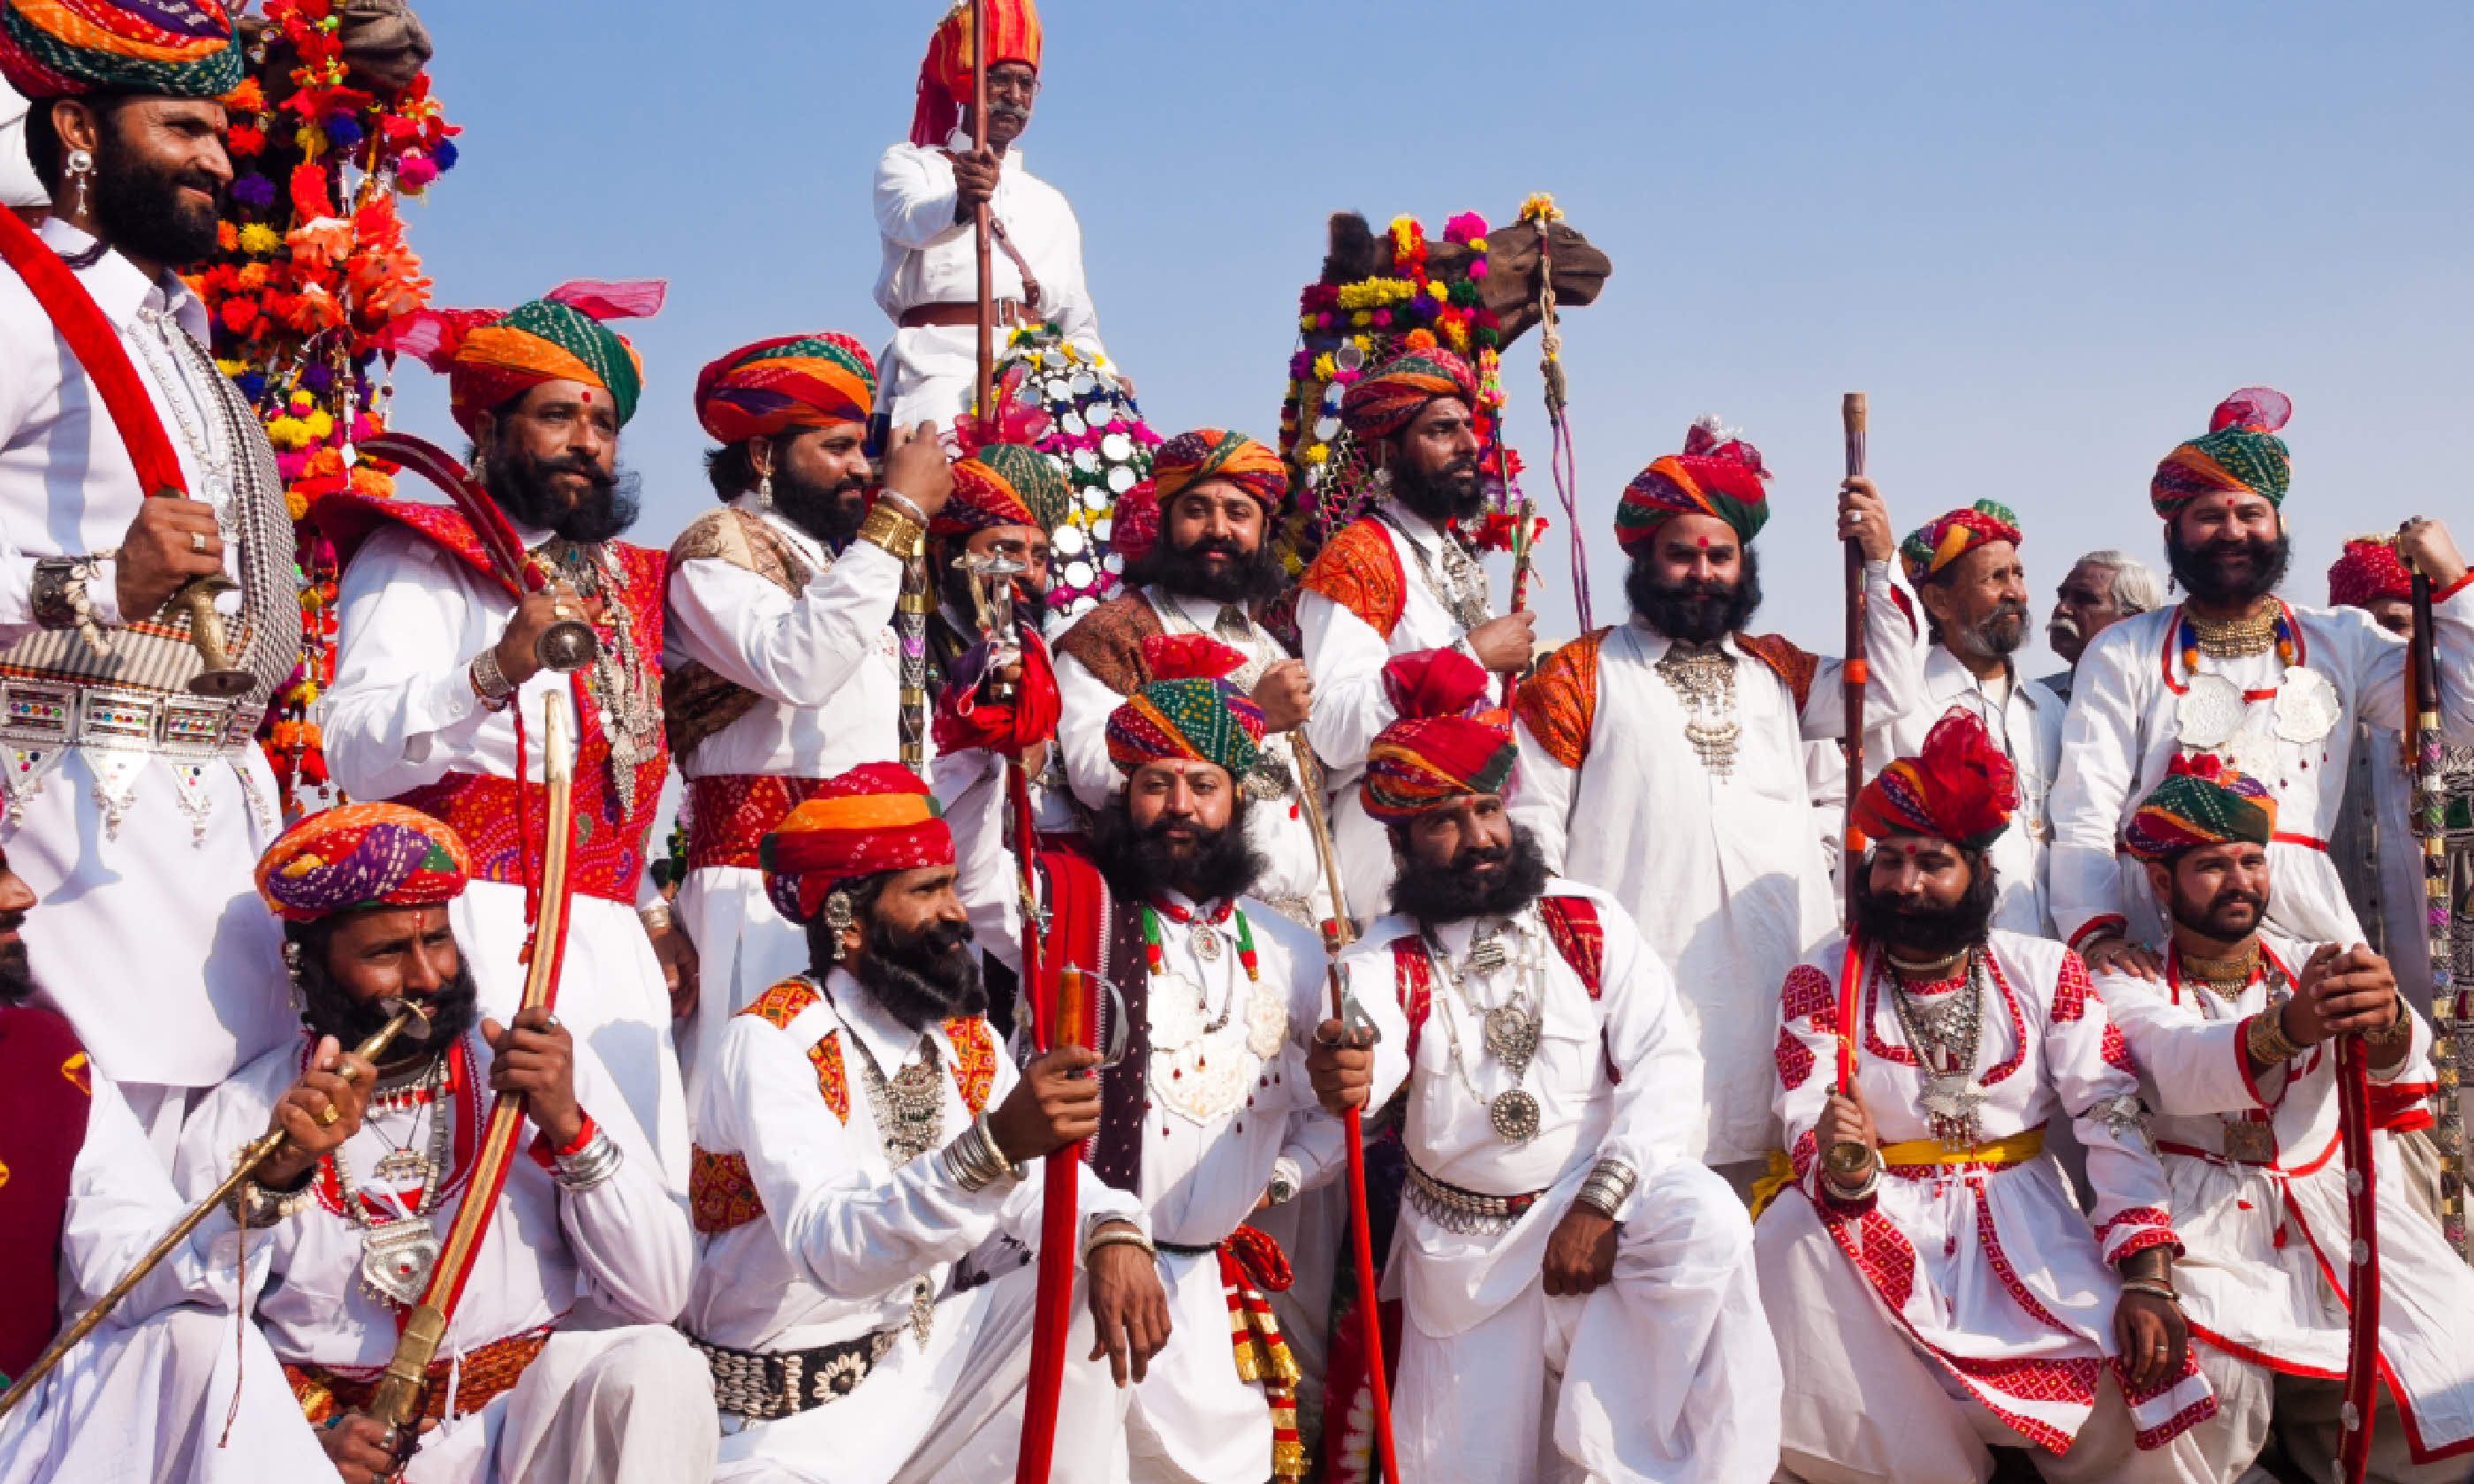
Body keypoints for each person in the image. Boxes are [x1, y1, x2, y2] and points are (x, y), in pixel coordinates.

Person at [1308, 647, 1781, 1483]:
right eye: (1443, 821)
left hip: (1599, 1208)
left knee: (1706, 1217)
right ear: (1405, 841)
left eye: (1487, 809)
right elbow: (1364, 1051)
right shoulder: (1382, 960)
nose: (1479, 839)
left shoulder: (1584, 922)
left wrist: (1601, 1204)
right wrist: (1348, 1069)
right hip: (1467, 1250)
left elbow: (1666, 1065)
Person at [178, 803, 710, 1484]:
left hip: (528, 1432)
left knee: (659, 1365)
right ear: (308, 965)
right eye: (386, 953)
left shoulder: (528, 1070)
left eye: (436, 941)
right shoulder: (248, 1113)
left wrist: (568, 1129)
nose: (427, 977)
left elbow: (659, 1294)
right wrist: (310, 1432)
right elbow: (197, 1334)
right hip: (342, 1455)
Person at [0, 0, 304, 1159]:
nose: (221, 161)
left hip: (218, 860)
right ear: (76, 125)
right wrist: (92, 582)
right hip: (67, 853)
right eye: (184, 129)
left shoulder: (171, 328)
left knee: (211, 1262)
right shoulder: (19, 302)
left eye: (225, 134)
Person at [1758, 712, 2213, 1484]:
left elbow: (2110, 1115)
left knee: (2123, 1369)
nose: (1905, 884)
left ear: (1977, 872)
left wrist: (2145, 1269)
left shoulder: (2043, 971)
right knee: (1794, 1248)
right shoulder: (1825, 975)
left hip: (2023, 1219)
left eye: (1932, 862)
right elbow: (1805, 1110)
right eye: (1890, 862)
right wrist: (1842, 1160)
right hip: (1876, 1222)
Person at [681, 761, 1159, 1484]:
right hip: (787, 1419)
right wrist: (993, 1146)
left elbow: (1045, 1197)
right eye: (928, 891)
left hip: (914, 1372)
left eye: (953, 886)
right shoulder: (774, 1042)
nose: (958, 914)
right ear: (847, 917)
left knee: (1093, 1279)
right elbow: (832, 1250)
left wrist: (1114, 1228)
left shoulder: (963, 1040)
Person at [317, 280, 692, 1179]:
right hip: (476, 929)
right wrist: (494, 672)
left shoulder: (633, 579)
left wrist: (650, 910)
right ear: (487, 427)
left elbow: (613, 776)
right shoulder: (419, 551)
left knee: (635, 1189)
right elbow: (355, 748)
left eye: (603, 425)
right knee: (504, 1192)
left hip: (611, 943)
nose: (586, 444)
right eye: (558, 415)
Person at [1511, 415, 1923, 1188]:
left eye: (1721, 556)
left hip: (1775, 980)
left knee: (1781, 1186)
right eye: (1683, 554)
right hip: (1638, 978)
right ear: (1643, 557)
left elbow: (1892, 686)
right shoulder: (1578, 672)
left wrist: (1879, 561)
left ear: (1745, 565)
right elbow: (1533, 829)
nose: (1703, 572)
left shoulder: (1778, 671)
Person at [1028, 633, 1349, 1484]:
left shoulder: (1289, 948)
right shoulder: (1073, 913)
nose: (1179, 804)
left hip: (1209, 1298)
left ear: (1236, 798)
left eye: (1202, 785)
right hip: (1082, 1277)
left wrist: (1274, 1182)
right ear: (1122, 796)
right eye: (1155, 784)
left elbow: (1334, 1111)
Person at [2098, 757, 2474, 1482]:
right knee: (2206, 1376)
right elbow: (2176, 1063)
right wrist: (2294, 1026)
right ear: (2160, 882)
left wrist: (2388, 1019)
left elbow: (2403, 1065)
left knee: (2450, 1340)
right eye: (2213, 865)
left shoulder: (2311, 958)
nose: (2241, 881)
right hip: (2200, 1221)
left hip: (2334, 1202)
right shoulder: (2123, 979)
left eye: (2251, 861)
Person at [2050, 388, 2474, 979]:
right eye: (2209, 517)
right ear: (2173, 534)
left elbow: (2461, 718)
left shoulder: (2342, 638)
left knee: (2354, 1054)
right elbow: (2084, 807)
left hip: (2305, 917)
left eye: (2250, 514)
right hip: (2159, 922)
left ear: (2278, 525)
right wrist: (2097, 932)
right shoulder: (2124, 649)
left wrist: (2454, 582)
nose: (2232, 532)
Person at [662, 329, 954, 1085]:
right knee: (760, 1101)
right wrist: (897, 516)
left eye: (864, 448)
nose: (862, 468)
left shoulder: (834, 559)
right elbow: (801, 664)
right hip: (757, 893)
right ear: (763, 456)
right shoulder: (715, 549)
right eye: (838, 448)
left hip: (865, 888)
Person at [0, 840, 341, 1484]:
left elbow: (129, 1263)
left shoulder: (47, 1060)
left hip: (17, 1432)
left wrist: (270, 1177)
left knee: (203, 1343)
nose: (21, 896)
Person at [1054, 427, 1326, 926]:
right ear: (1166, 524)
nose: (1218, 529)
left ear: (1264, 532)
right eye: (1197, 511)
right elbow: (1095, 774)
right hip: (1176, 920)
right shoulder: (1111, 635)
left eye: (1238, 514)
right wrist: (1253, 719)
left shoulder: (1270, 646)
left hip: (1300, 931)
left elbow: (1302, 797)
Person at [1298, 349, 1537, 915]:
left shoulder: (1451, 555)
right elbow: (1332, 729)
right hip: (1400, 850)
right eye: (1441, 430)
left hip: (1478, 837)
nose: (1467, 446)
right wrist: (1472, 657)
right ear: (1387, 451)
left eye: (1467, 428)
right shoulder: (1359, 558)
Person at [873, 0, 1107, 433]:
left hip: (1042, 375)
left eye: (1026, 84)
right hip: (940, 364)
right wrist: (961, 202)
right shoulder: (912, 165)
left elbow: (1077, 316)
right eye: (998, 80)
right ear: (965, 86)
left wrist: (1103, 376)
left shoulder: (1052, 202)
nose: (1014, 97)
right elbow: (908, 221)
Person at [1873, 499, 2063, 936]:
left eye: (2018, 574)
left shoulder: (2048, 708)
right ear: (1939, 601)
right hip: (1949, 952)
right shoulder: (1903, 706)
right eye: (1995, 578)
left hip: (2048, 960)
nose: (2016, 592)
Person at [922, 436, 1072, 990]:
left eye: (1038, 556)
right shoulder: (904, 645)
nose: (1027, 572)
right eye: (1005, 551)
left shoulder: (1037, 649)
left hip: (1019, 901)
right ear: (946, 554)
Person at [2325, 534, 2474, 1018]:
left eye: (2397, 625)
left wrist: (2452, 574)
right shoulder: (2324, 731)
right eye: (2365, 632)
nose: (2382, 647)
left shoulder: (2458, 719)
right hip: (2367, 994)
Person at [2042, 549, 2166, 700]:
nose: (2062, 608)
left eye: (2083, 598)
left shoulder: (2164, 702)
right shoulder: (2039, 701)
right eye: (2062, 596)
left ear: (2134, 619)